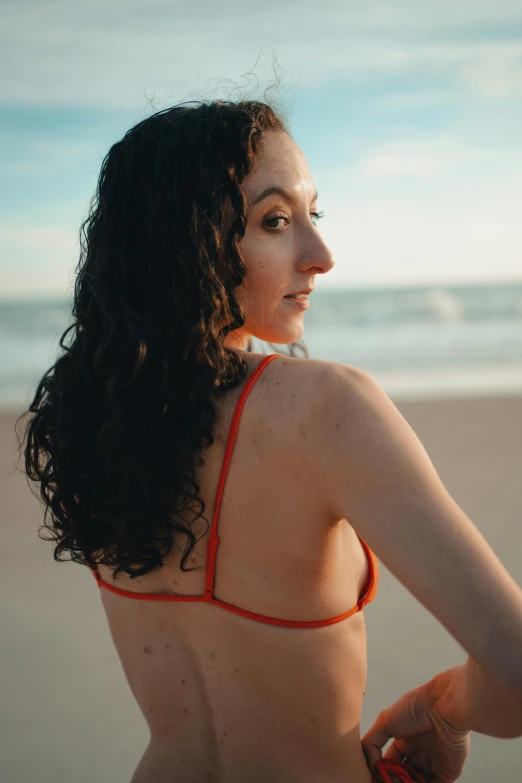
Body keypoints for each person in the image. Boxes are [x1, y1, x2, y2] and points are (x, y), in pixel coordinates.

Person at [17, 99, 522, 783]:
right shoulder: (328, 410)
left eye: (314, 216)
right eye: (276, 221)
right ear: (184, 243)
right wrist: (442, 706)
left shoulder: (96, 421)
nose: (322, 255)